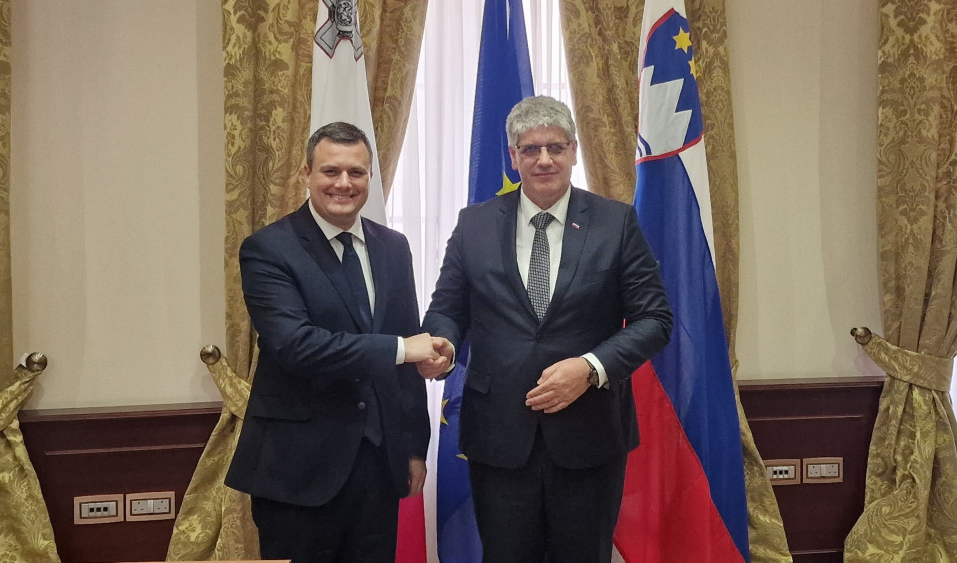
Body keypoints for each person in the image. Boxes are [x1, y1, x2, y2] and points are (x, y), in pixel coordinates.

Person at [420, 95, 674, 563]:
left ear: (574, 150)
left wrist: (590, 366)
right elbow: (447, 310)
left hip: (590, 434)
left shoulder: (616, 223)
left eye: (555, 147)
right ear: (513, 156)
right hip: (499, 435)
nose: (544, 159)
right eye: (530, 149)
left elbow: (654, 319)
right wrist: (443, 345)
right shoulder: (473, 224)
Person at [226, 122, 446, 563]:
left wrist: (413, 448)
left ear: (369, 178)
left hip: (378, 467)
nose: (343, 184)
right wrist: (403, 348)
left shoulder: (392, 247)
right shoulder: (268, 249)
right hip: (298, 471)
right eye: (330, 171)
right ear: (305, 173)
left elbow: (407, 358)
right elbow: (298, 346)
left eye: (356, 173)